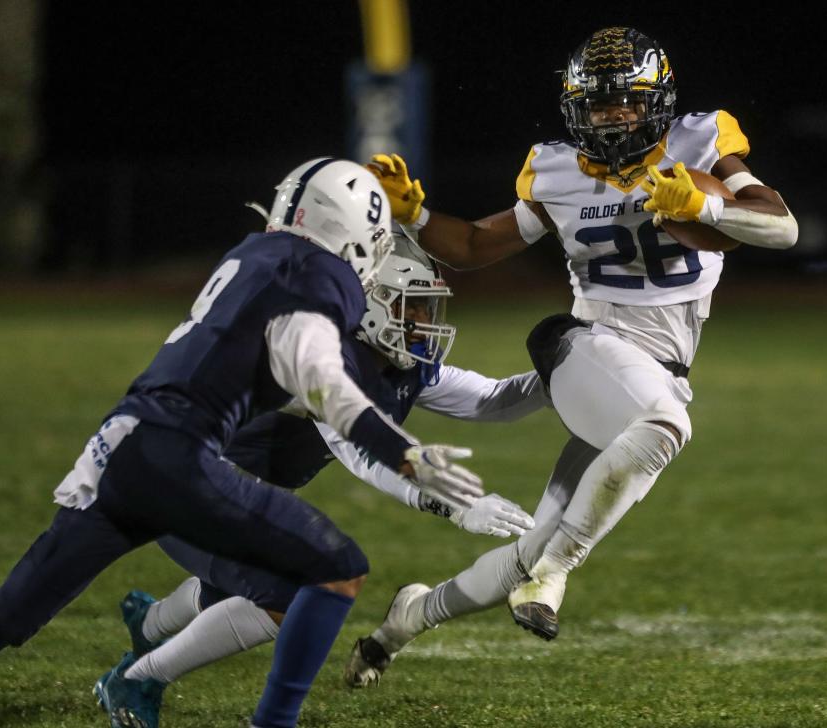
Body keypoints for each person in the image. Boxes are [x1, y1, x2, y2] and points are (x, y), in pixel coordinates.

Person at [345, 25, 799, 685]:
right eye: (599, 105)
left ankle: (402, 623)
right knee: (664, 429)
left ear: (659, 102)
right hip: (585, 347)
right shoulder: (558, 168)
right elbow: (474, 246)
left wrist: (702, 203)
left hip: (654, 376)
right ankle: (556, 573)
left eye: (627, 103)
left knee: (530, 547)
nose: (613, 117)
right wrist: (415, 215)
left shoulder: (703, 138)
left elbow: (781, 226)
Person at [0, 157, 487, 728]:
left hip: (118, 445)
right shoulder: (316, 278)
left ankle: (151, 642)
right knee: (336, 567)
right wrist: (402, 453)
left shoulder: (254, 252)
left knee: (6, 618)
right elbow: (323, 383)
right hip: (180, 459)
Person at [96, 234, 545, 717]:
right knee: (287, 590)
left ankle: (150, 625)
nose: (423, 322)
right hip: (176, 477)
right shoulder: (321, 354)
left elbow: (493, 399)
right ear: (370, 305)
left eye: (426, 307)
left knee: (240, 580)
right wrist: (456, 505)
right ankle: (135, 681)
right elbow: (364, 455)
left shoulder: (393, 361)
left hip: (207, 477)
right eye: (411, 306)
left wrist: (564, 372)